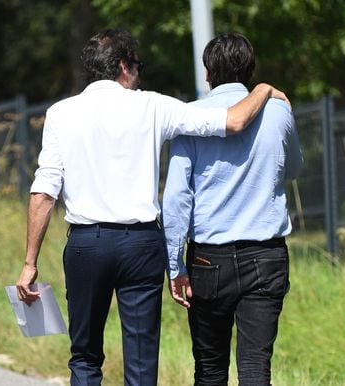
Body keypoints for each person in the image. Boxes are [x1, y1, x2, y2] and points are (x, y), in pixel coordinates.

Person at [15, 29, 289, 386]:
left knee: (84, 355)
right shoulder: (152, 106)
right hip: (141, 245)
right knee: (142, 362)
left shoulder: (60, 113)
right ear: (125, 67)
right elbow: (233, 121)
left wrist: (29, 263)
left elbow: (44, 192)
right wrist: (263, 90)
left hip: (86, 245)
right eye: (138, 66)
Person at [163, 32, 303, 386]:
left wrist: (175, 264)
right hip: (267, 256)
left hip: (209, 260)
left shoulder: (189, 117)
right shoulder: (278, 110)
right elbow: (294, 168)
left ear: (207, 74)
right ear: (251, 72)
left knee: (210, 369)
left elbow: (177, 197)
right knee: (256, 368)